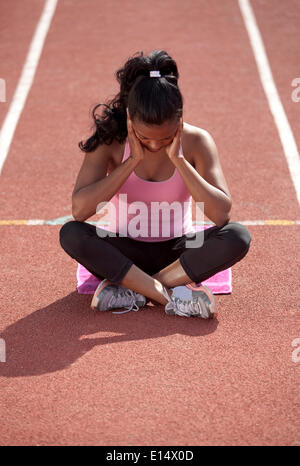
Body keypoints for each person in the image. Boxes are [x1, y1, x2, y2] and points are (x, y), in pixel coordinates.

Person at [59, 50, 251, 318]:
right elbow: (80, 211)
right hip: (123, 249)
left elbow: (221, 215)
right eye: (144, 137)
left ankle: (138, 289)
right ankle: (166, 294)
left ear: (180, 120)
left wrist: (180, 160)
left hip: (180, 253)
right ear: (129, 118)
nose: (154, 145)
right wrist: (131, 161)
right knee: (72, 233)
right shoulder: (109, 142)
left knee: (237, 236)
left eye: (166, 138)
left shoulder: (198, 141)